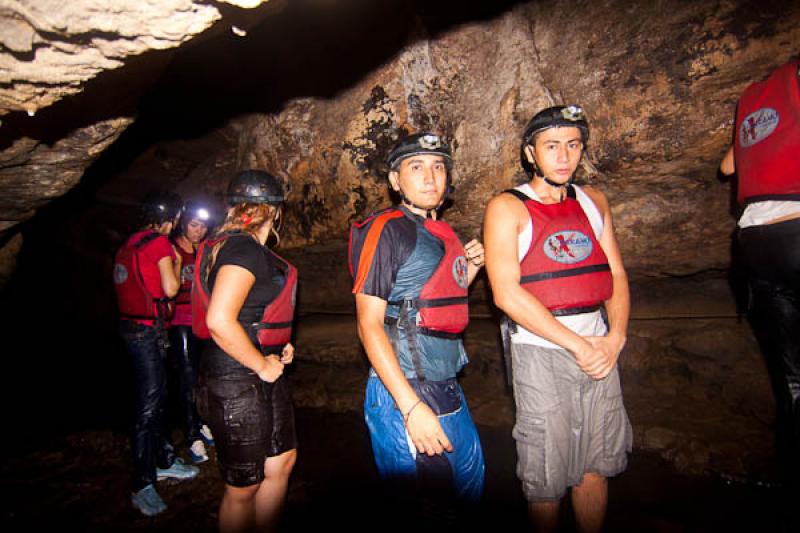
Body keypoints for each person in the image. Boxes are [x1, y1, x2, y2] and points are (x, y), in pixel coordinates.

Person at [483, 105, 632, 533]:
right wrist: (578, 345)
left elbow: (616, 275)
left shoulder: (593, 202)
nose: (564, 156)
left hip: (602, 347)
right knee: (545, 477)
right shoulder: (506, 208)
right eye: (552, 146)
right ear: (531, 153)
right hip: (542, 352)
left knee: (596, 464)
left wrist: (615, 337)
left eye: (573, 145)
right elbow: (507, 293)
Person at [349, 132, 486, 522]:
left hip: (446, 385)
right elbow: (369, 324)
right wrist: (410, 407)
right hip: (405, 390)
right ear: (395, 181)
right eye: (416, 167)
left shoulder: (441, 232)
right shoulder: (387, 229)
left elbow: (435, 300)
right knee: (427, 506)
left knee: (468, 491)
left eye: (438, 166)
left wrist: (471, 266)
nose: (431, 177)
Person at [719, 59, 800, 528]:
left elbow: (727, 164)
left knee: (793, 378)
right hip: (796, 224)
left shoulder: (750, 98)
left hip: (758, 243)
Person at [193, 170, 298, 533]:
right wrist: (261, 363)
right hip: (236, 377)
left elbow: (250, 313)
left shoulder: (239, 248)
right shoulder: (241, 248)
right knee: (244, 485)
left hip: (257, 368)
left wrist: (275, 347)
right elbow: (219, 320)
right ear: (275, 211)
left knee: (281, 462)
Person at [114, 190, 200, 517]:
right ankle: (141, 482)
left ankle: (163, 459)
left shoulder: (130, 242)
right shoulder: (161, 243)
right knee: (149, 404)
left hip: (133, 327)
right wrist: (177, 264)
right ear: (172, 218)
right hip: (147, 331)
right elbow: (170, 289)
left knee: (157, 395)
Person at [168, 200, 216, 463]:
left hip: (202, 320)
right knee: (187, 375)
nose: (198, 231)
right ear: (184, 225)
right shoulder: (173, 250)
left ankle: (199, 421)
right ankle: (190, 434)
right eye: (194, 225)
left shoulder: (205, 251)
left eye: (203, 226)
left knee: (201, 374)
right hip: (180, 321)